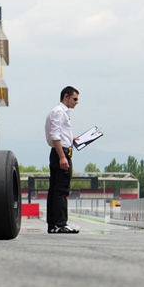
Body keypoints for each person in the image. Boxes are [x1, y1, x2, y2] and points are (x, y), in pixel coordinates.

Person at [45, 86, 80, 234]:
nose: (77, 102)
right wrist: (62, 156)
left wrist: (70, 138)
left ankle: (53, 225)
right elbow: (55, 135)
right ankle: (61, 224)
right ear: (66, 96)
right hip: (61, 152)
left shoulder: (58, 112)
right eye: (75, 99)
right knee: (61, 190)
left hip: (59, 151)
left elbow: (59, 134)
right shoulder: (60, 112)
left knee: (54, 189)